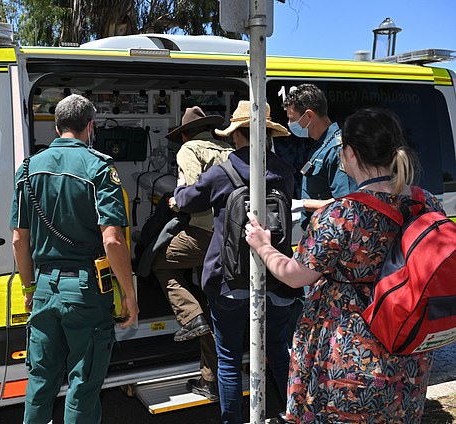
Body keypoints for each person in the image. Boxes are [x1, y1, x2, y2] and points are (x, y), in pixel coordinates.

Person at [245, 107, 444, 422]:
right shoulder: (427, 202)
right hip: (408, 342)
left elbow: (295, 276)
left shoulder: (342, 213)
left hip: (352, 351)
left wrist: (263, 246)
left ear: (349, 153)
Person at [10, 94, 139, 424]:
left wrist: (29, 288)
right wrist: (129, 295)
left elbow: (18, 240)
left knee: (40, 382)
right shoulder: (99, 168)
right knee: (82, 385)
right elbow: (112, 239)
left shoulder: (27, 169)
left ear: (56, 126)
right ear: (90, 127)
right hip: (85, 292)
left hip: (43, 289)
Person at [173, 100, 298, 424]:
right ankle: (292, 413)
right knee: (278, 352)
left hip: (228, 279)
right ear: (268, 134)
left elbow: (187, 200)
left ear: (236, 136)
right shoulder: (284, 171)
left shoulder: (223, 172)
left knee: (228, 359)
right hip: (277, 276)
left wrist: (179, 188)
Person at [151, 106, 233, 401]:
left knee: (158, 261)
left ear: (184, 133)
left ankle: (190, 316)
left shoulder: (189, 149)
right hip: (232, 240)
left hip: (204, 237)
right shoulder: (228, 148)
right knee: (215, 307)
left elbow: (194, 195)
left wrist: (175, 203)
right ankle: (210, 380)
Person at [282, 83, 356, 230]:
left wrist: (303, 204)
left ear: (309, 115)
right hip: (315, 234)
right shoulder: (319, 146)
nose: (290, 124)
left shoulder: (337, 148)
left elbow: (347, 204)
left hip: (330, 239)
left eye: (292, 119)